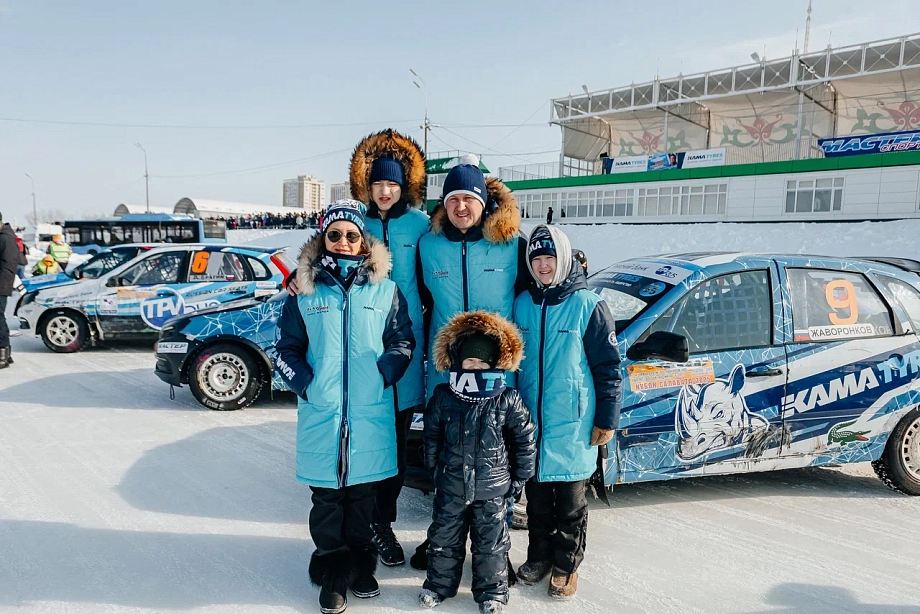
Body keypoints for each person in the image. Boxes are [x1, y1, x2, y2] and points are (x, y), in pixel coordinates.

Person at [274, 199, 415, 614]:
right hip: (324, 414)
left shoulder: (386, 289)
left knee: (362, 497)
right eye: (334, 234)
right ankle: (333, 575)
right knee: (327, 498)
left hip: (369, 413)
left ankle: (361, 564)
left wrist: (382, 375)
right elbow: (286, 350)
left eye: (351, 235)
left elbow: (402, 342)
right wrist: (307, 384)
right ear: (323, 239)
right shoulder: (304, 291)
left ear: (362, 241)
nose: (343, 241)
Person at [512, 225, 623, 600]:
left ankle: (566, 566)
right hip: (532, 424)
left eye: (550, 258)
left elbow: (608, 368)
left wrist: (606, 418)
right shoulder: (522, 303)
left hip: (573, 425)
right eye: (536, 259)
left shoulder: (588, 306)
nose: (543, 265)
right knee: (538, 503)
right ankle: (539, 557)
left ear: (564, 258)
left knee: (571, 506)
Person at [349, 128, 430, 566]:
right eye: (378, 184)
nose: (385, 191)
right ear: (367, 185)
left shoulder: (419, 225)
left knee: (396, 448)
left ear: (404, 186)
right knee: (365, 444)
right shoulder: (354, 224)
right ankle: (360, 525)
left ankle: (384, 522)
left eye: (393, 184)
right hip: (361, 352)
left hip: (406, 351)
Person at [419, 311, 535, 614]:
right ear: (459, 362)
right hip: (452, 483)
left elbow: (524, 439)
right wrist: (433, 468)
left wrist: (519, 478)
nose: (476, 367)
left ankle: (492, 593)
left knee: (491, 544)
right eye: (470, 361)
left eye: (482, 362)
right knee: (444, 539)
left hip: (493, 486)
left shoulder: (507, 398)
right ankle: (438, 585)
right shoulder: (445, 396)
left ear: (494, 364)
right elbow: (432, 434)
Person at [0, 212, 20, 368]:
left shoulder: (6, 238)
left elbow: (8, 266)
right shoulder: (4, 236)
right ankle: (6, 353)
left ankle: (2, 356)